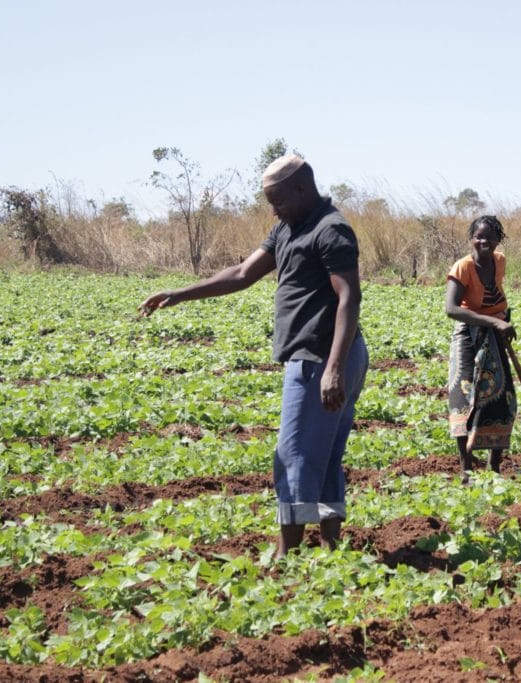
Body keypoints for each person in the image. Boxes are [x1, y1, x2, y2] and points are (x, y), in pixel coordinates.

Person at [139, 154, 368, 557]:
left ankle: (287, 554)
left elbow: (349, 297)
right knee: (325, 453)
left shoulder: (331, 230)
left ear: (301, 188)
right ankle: (333, 549)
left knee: (293, 452)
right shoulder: (287, 228)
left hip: (324, 356)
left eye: (276, 199)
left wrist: (333, 368)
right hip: (320, 356)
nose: (272, 209)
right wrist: (180, 293)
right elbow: (243, 273)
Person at [444, 215, 517, 484]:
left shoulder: (500, 262)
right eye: (478, 236)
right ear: (471, 238)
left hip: (496, 333)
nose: (483, 241)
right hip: (468, 335)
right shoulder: (463, 267)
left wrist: (504, 321)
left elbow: (497, 298)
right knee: (462, 397)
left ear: (499, 240)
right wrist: (493, 321)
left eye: (489, 237)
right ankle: (466, 469)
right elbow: (452, 309)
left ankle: (494, 468)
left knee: (501, 397)